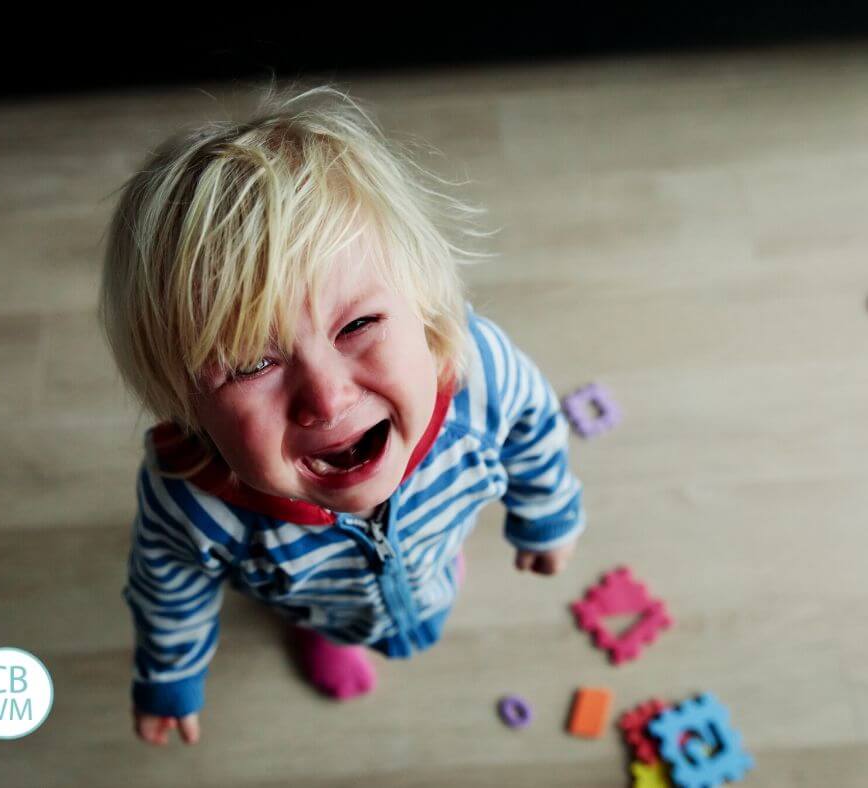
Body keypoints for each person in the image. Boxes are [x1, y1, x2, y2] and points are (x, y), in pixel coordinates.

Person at [98, 84, 585, 746]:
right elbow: (167, 586)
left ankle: (424, 574)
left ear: (425, 308)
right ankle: (324, 630)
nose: (326, 397)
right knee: (321, 608)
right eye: (250, 366)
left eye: (357, 324)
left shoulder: (478, 376)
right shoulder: (191, 503)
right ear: (186, 403)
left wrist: (547, 514)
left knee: (427, 565)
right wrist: (169, 675)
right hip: (318, 599)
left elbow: (535, 431)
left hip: (434, 539)